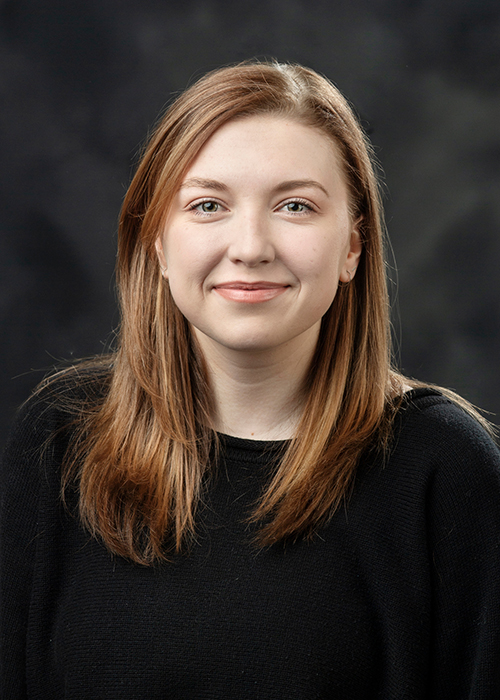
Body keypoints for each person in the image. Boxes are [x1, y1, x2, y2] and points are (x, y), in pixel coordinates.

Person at [1, 60, 499, 699]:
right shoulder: (62, 440)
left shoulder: (443, 466)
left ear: (353, 246)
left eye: (295, 206)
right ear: (156, 240)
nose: (251, 246)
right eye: (208, 205)